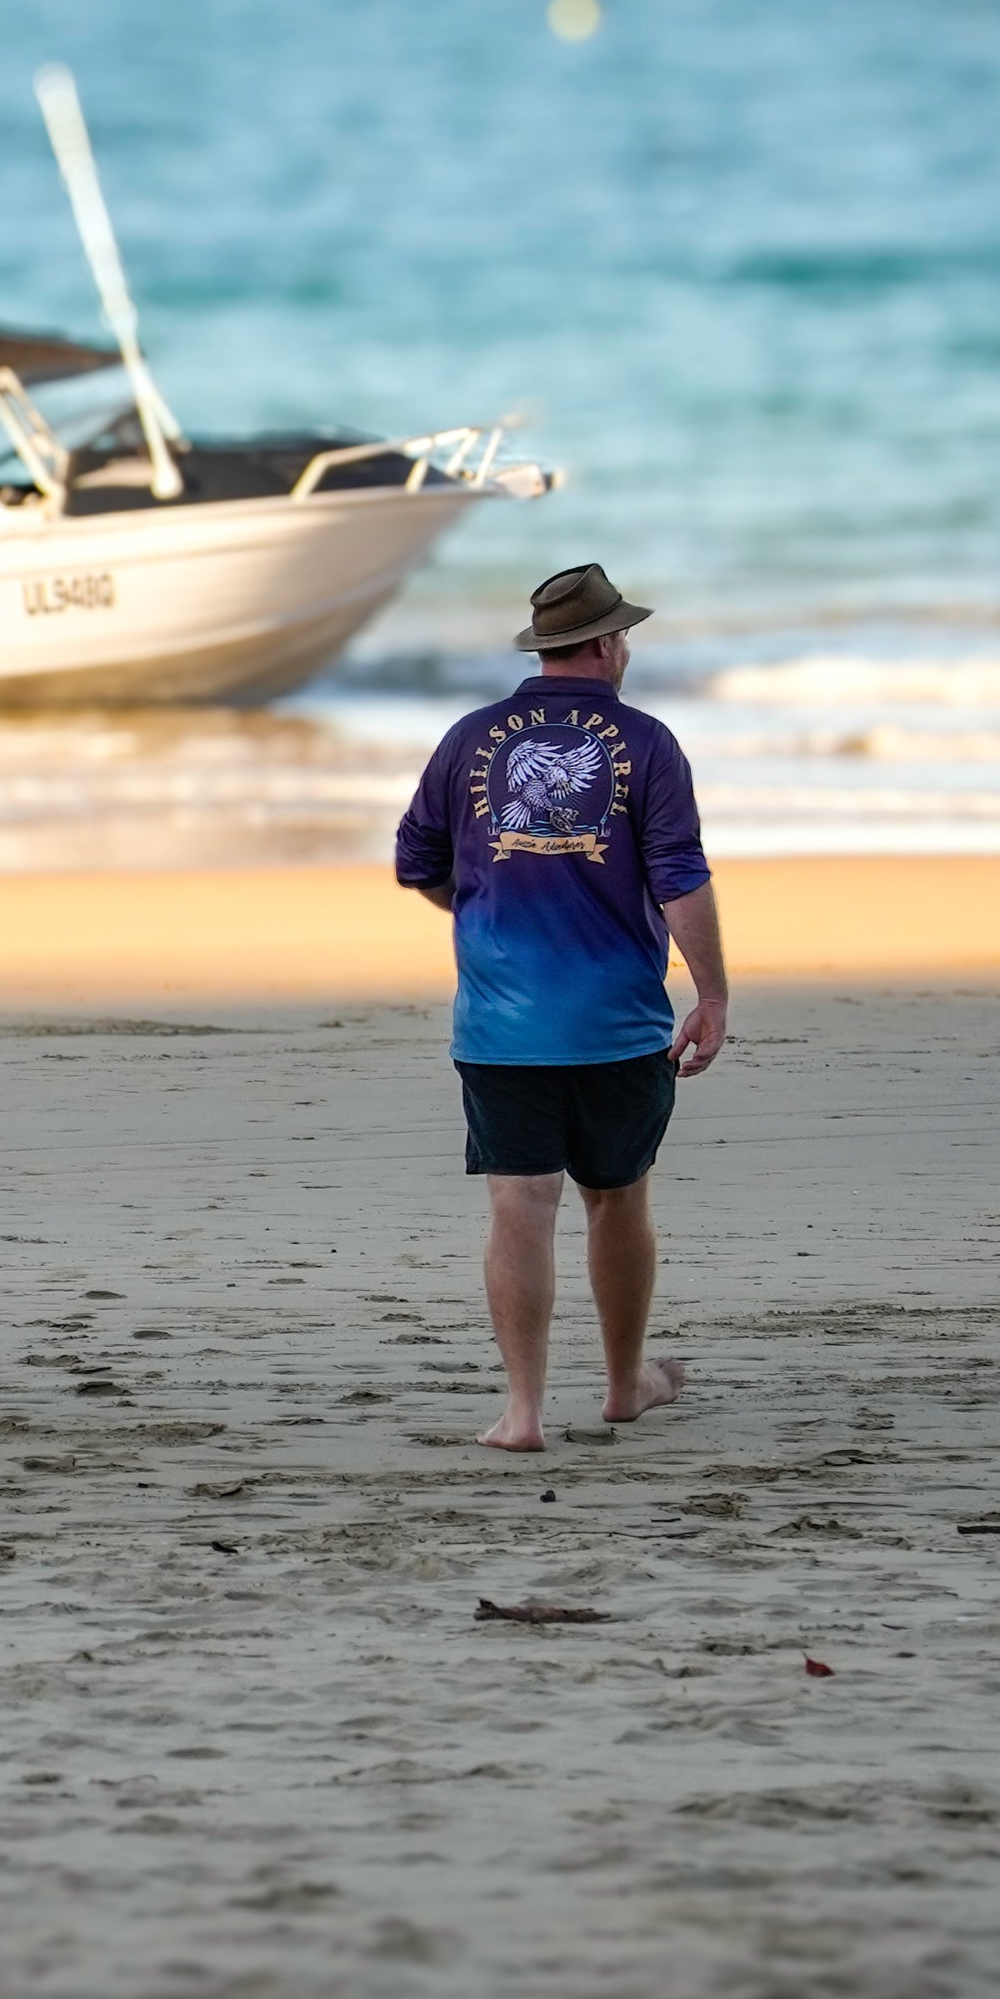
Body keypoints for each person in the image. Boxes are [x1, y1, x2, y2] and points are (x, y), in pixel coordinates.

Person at [393, 562, 728, 1453]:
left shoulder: (469, 737)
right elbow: (681, 877)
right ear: (612, 643)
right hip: (617, 1024)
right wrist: (713, 991)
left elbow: (418, 861)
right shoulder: (649, 742)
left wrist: (485, 910)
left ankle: (524, 1413)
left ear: (545, 647)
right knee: (618, 1201)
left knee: (519, 1205)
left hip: (503, 1027)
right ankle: (624, 1386)